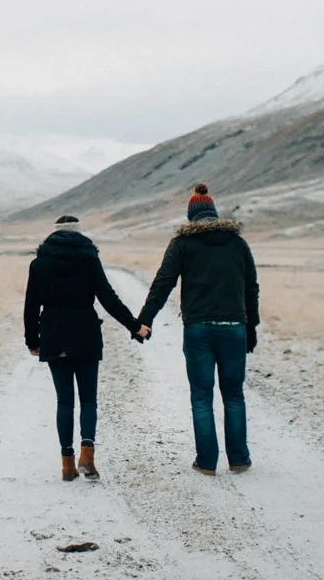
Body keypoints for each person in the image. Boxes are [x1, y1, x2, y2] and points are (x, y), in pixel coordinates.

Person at [134, 183, 259, 475]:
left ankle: (206, 462)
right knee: (234, 394)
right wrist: (251, 328)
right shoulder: (237, 243)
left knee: (202, 396)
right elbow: (251, 288)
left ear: (191, 217)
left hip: (199, 329)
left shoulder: (182, 244)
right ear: (215, 213)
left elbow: (163, 283)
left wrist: (145, 320)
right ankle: (239, 459)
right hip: (234, 327)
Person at [24, 214, 143, 481]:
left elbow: (31, 305)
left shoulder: (39, 263)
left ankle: (67, 464)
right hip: (85, 333)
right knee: (88, 399)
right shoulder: (89, 259)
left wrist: (32, 340)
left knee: (64, 401)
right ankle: (87, 455)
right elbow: (108, 298)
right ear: (79, 233)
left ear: (54, 233)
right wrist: (134, 325)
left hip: (54, 334)